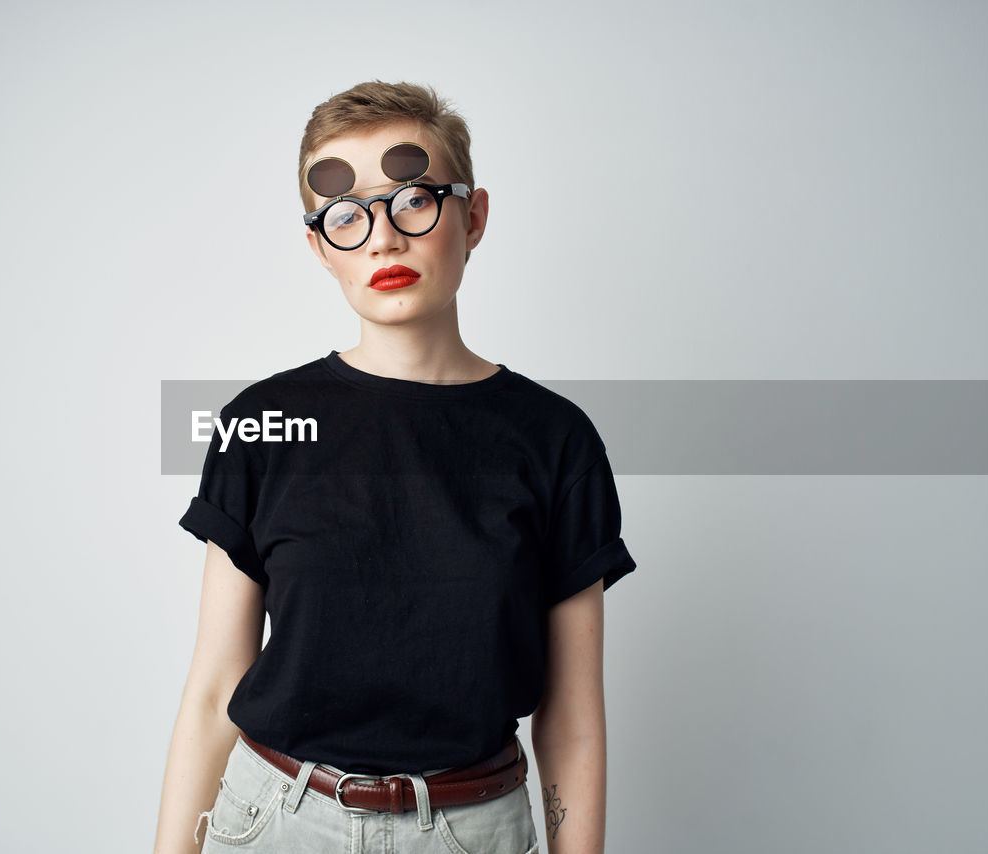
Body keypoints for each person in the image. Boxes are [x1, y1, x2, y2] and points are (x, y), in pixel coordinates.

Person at [153, 81, 637, 854]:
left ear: (473, 216)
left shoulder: (556, 442)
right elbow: (215, 692)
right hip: (276, 821)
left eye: (413, 199)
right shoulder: (265, 424)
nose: (382, 238)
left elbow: (573, 720)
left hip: (472, 830)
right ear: (319, 247)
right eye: (346, 216)